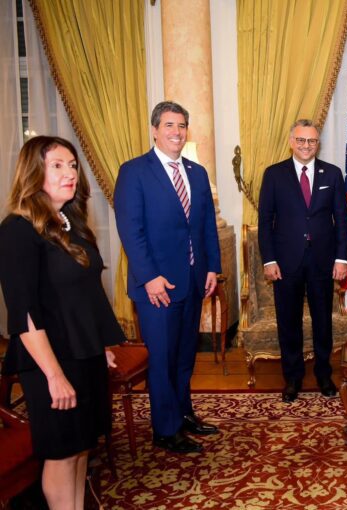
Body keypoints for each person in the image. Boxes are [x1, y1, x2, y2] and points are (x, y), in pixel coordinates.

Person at [0, 136, 125, 509]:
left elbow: (86, 292)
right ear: (33, 172)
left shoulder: (72, 223)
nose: (70, 173)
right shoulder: (17, 230)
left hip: (83, 351)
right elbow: (24, 314)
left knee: (82, 446)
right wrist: (54, 375)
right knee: (61, 453)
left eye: (72, 165)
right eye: (57, 165)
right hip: (49, 359)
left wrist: (99, 345)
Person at [115, 101, 221, 454]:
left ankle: (183, 413)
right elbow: (131, 231)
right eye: (169, 125)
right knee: (161, 359)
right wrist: (149, 277)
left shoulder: (197, 172)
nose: (177, 132)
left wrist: (211, 267)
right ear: (155, 130)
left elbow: (205, 225)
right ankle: (165, 429)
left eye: (182, 126)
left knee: (184, 355)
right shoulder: (134, 172)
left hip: (193, 280)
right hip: (156, 287)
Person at [258, 119, 347, 403]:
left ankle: (324, 375)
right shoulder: (274, 174)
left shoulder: (332, 173)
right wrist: (269, 260)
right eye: (301, 140)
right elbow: (265, 222)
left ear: (317, 144)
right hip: (286, 262)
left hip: (323, 260)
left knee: (323, 321)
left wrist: (341, 258)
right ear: (291, 142)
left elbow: (341, 220)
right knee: (289, 322)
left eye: (311, 141)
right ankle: (293, 378)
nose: (306, 145)